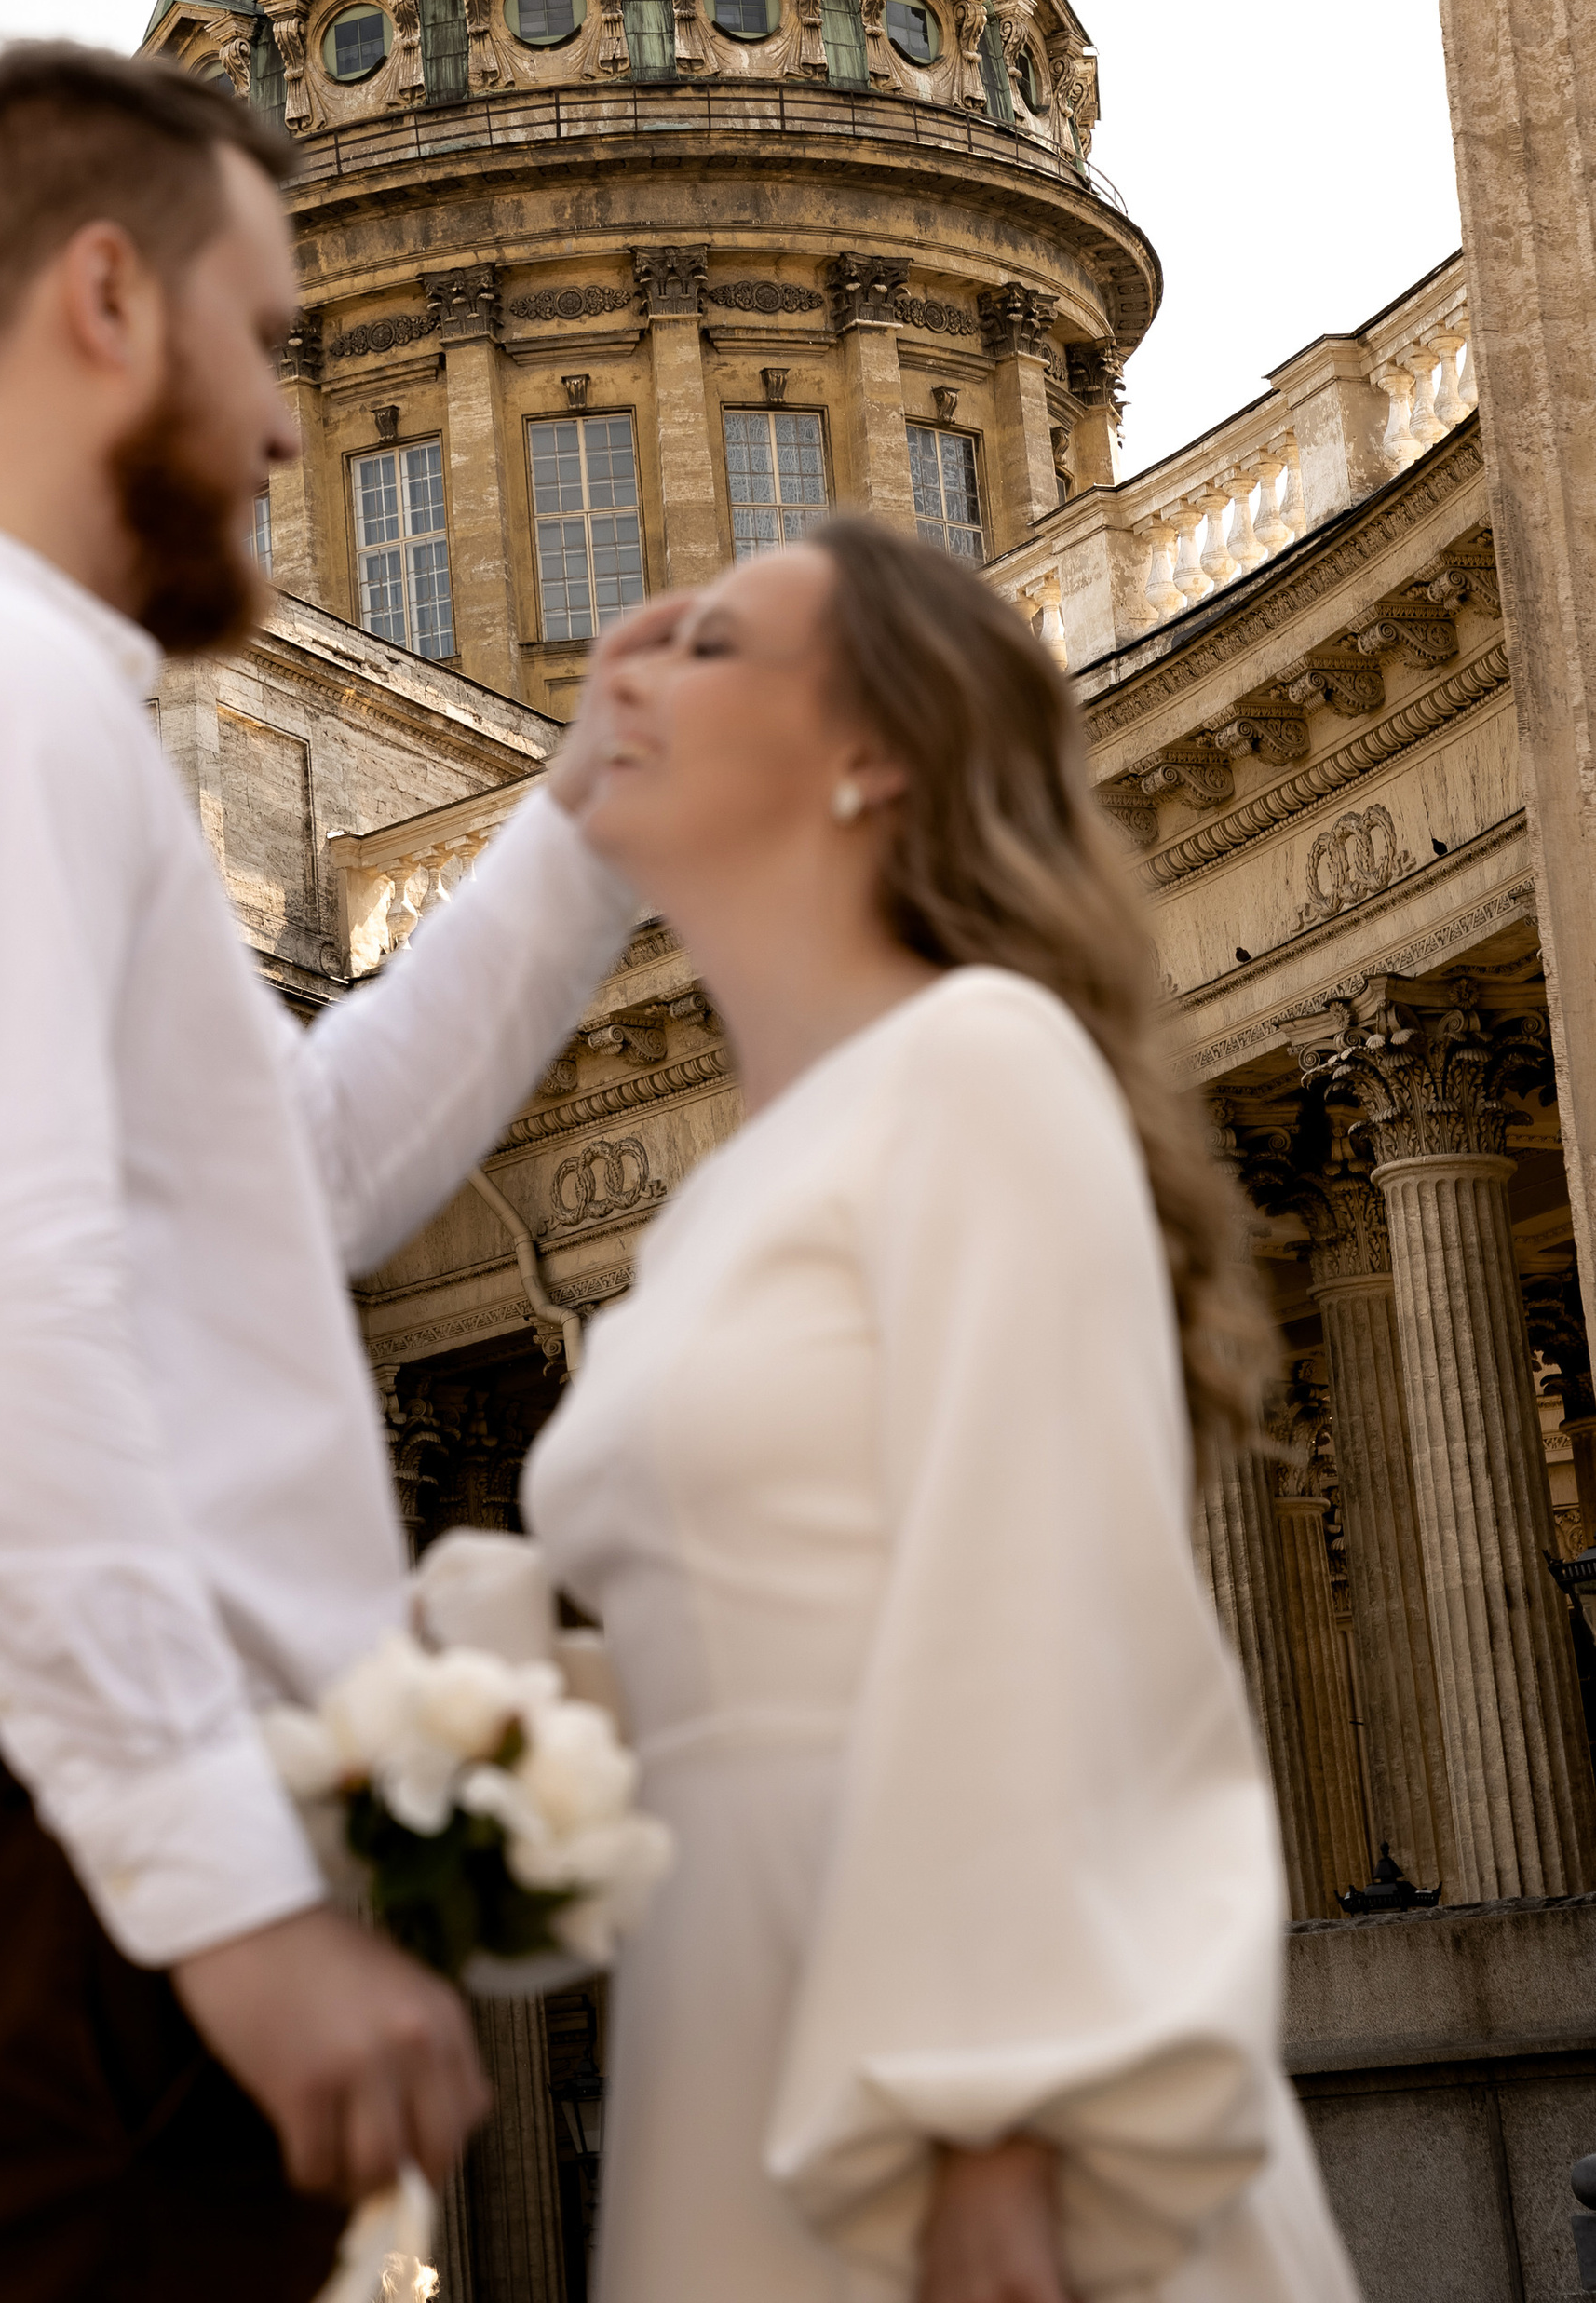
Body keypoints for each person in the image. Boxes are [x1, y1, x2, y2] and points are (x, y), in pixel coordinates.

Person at [0, 43, 646, 2301]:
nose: (291, 425)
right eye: (266, 336)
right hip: (4, 1864)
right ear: (105, 297)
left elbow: (267, 1186)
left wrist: (574, 836)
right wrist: (233, 1903)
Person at [523, 516, 1363, 2303]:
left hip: (952, 2075)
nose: (621, 669)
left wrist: (999, 2125)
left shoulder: (981, 1062)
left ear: (872, 754)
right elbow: (764, 1628)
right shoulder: (722, 1202)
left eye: (713, 645)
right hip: (736, 2013)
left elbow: (1034, 1592)